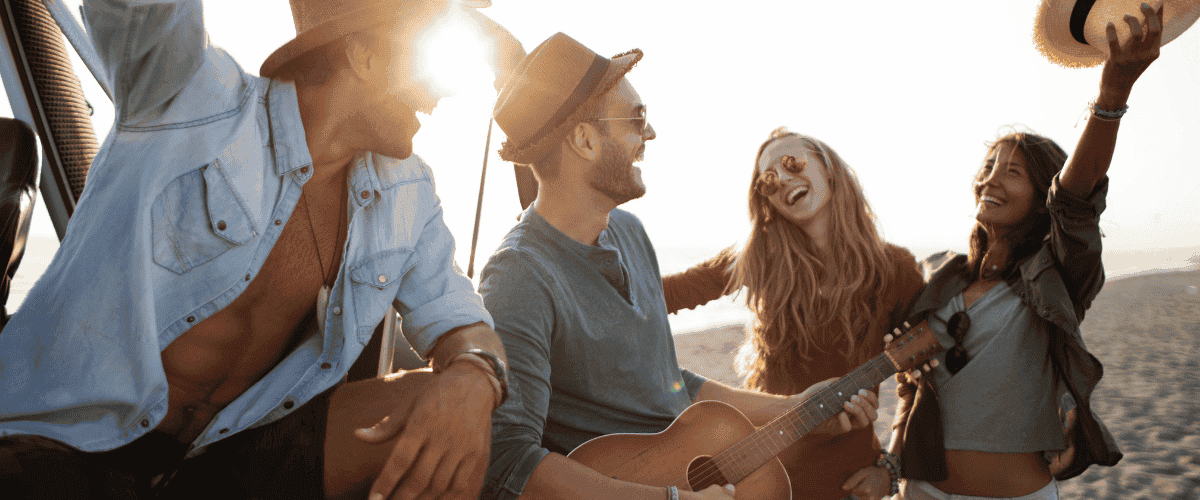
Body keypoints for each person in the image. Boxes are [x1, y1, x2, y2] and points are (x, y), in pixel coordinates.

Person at [0, 0, 522, 499]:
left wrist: (476, 376)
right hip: (70, 442)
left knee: (442, 413)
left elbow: (463, 324)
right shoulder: (188, 93)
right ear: (363, 56)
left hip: (226, 454)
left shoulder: (409, 192)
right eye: (426, 56)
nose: (443, 90)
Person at [478, 32, 880, 500]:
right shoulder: (519, 277)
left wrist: (792, 406)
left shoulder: (629, 232)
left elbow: (668, 385)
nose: (649, 133)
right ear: (585, 140)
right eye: (636, 118)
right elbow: (510, 462)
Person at [887, 5, 1167, 499]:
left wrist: (1112, 96)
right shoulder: (941, 275)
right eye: (989, 167)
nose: (990, 180)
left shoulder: (1057, 274)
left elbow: (1074, 199)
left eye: (1012, 172)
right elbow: (912, 388)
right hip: (922, 490)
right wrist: (890, 466)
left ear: (1041, 196)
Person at [662, 130, 925, 500]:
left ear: (827, 167)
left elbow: (918, 380)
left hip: (846, 483)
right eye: (768, 180)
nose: (783, 179)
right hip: (761, 473)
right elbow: (663, 296)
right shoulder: (759, 257)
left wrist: (890, 467)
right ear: (767, 200)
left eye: (792, 163)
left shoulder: (893, 270)